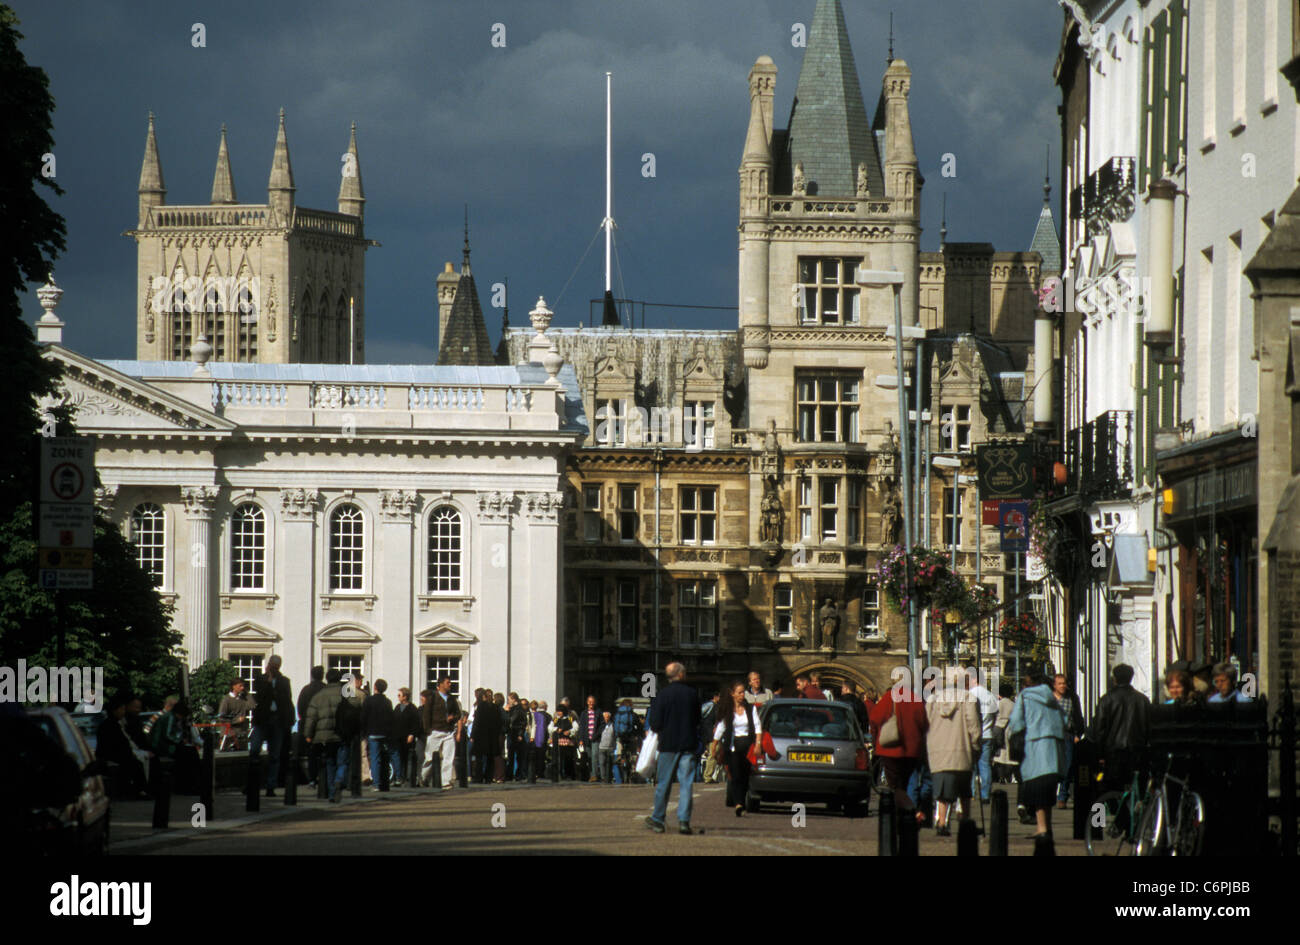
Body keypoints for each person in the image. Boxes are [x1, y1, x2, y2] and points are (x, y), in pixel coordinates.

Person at [1007, 673, 1066, 841]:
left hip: (1035, 746)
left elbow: (1016, 721)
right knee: (1048, 789)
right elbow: (1065, 720)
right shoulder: (1052, 698)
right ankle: (1047, 826)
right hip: (1054, 749)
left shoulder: (1025, 697)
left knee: (1037, 788)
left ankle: (1042, 828)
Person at [646, 662, 702, 834]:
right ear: (681, 674)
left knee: (663, 783)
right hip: (688, 744)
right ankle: (684, 821)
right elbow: (698, 720)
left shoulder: (662, 695)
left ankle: (658, 819)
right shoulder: (692, 694)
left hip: (668, 745)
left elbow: (655, 723)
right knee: (686, 784)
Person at [925, 669, 981, 836]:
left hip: (938, 752)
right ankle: (965, 822)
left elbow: (926, 723)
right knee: (964, 791)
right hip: (962, 750)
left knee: (942, 791)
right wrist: (975, 746)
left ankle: (942, 822)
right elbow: (973, 725)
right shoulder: (968, 698)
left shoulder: (933, 699)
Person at [868, 674, 928, 820]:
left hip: (890, 750)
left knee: (895, 787)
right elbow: (924, 724)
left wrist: (876, 740)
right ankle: (903, 816)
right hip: (912, 751)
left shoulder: (889, 698)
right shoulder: (915, 699)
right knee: (904, 783)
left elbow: (874, 719)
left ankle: (911, 812)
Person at [1087, 663, 1150, 797]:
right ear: (1131, 678)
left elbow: (1099, 729)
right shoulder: (1143, 700)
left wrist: (1099, 754)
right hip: (1137, 750)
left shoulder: (1107, 699)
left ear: (1114, 678)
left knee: (1113, 790)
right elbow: (1148, 727)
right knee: (1137, 789)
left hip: (1113, 753)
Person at [713, 680, 763, 817]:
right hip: (733, 746)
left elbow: (758, 727)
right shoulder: (728, 710)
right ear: (733, 694)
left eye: (743, 692)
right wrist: (715, 744)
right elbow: (721, 727)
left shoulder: (750, 709)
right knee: (734, 774)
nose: (742, 695)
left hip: (747, 744)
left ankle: (741, 800)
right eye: (739, 693)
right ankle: (738, 804)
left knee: (745, 775)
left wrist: (758, 744)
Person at [249, 655, 294, 797]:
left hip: (277, 720)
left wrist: (288, 720)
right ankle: (251, 784)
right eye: (272, 665)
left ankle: (270, 786)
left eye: (276, 666)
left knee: (274, 755)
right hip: (262, 720)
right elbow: (260, 696)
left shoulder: (284, 681)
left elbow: (287, 700)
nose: (274, 668)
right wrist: (269, 682)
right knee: (254, 750)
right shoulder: (260, 679)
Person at [304, 669, 347, 802]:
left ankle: (332, 793)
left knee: (330, 763)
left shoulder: (318, 696)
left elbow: (311, 717)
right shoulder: (346, 694)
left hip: (325, 736)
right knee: (343, 762)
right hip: (342, 734)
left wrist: (308, 734)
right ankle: (339, 780)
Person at [97, 693, 148, 798]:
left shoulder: (116, 723)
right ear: (115, 710)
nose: (123, 712)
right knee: (135, 763)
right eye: (121, 709)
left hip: (120, 753)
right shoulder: (109, 725)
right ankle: (139, 790)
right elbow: (118, 744)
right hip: (112, 755)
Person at [1053, 674, 1085, 809]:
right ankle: (1051, 794)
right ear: (1054, 685)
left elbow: (1078, 716)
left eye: (1064, 683)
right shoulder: (1049, 698)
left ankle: (1062, 796)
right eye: (1059, 683)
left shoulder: (1072, 697)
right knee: (1053, 766)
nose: (1062, 686)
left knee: (1068, 765)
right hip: (1051, 736)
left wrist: (1078, 733)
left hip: (1068, 735)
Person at [966, 671, 999, 803]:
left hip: (973, 735)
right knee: (985, 765)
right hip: (988, 734)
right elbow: (996, 714)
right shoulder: (990, 696)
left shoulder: (970, 694)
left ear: (974, 679)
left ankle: (971, 793)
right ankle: (985, 794)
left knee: (971, 766)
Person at [421, 677, 459, 789]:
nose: (450, 684)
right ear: (441, 684)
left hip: (448, 731)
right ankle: (424, 778)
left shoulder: (452, 698)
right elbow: (426, 714)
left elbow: (458, 713)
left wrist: (453, 717)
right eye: (447, 682)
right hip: (435, 730)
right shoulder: (432, 698)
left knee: (448, 758)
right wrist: (428, 730)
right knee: (429, 758)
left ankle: (445, 781)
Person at [296, 666, 326, 787]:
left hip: (308, 725)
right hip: (323, 725)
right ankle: (323, 778)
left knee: (311, 754)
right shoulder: (325, 689)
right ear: (322, 675)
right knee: (324, 753)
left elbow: (300, 709)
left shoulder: (306, 690)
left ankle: (312, 779)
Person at [472, 689, 503, 784]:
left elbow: (477, 721)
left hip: (481, 735)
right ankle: (488, 777)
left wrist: (473, 734)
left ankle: (478, 777)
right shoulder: (495, 707)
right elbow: (499, 722)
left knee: (479, 758)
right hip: (492, 736)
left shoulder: (481, 706)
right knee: (490, 758)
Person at [392, 687, 421, 788]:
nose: (398, 697)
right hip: (397, 737)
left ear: (405, 697)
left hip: (407, 737)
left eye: (399, 695)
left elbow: (416, 723)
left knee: (407, 758)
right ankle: (399, 777)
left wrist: (412, 734)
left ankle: (408, 778)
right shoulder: (397, 707)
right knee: (398, 757)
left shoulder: (412, 708)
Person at [578, 695, 603, 782]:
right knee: (588, 757)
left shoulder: (598, 712)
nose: (591, 703)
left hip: (595, 738)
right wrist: (581, 739)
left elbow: (602, 725)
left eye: (592, 702)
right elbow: (581, 727)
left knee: (594, 756)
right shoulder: (584, 713)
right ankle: (590, 774)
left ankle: (594, 775)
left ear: (595, 702)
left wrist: (597, 734)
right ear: (587, 702)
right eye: (589, 701)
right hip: (586, 738)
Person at [507, 692, 529, 781]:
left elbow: (520, 722)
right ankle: (514, 774)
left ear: (513, 699)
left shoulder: (518, 709)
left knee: (516, 755)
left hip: (516, 733)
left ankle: (517, 774)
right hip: (514, 733)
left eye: (509, 699)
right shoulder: (516, 709)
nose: (508, 701)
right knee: (513, 755)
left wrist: (520, 734)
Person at [528, 700, 551, 783]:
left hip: (533, 738)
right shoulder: (547, 716)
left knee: (533, 756)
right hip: (541, 738)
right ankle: (539, 772)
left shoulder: (532, 715)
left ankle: (534, 773)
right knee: (541, 757)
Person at [596, 710, 617, 783]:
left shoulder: (613, 725)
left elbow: (615, 736)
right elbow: (597, 735)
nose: (606, 718)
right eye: (605, 717)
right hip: (601, 747)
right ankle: (603, 778)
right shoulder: (600, 726)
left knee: (609, 764)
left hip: (610, 747)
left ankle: (609, 778)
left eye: (607, 717)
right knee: (602, 763)